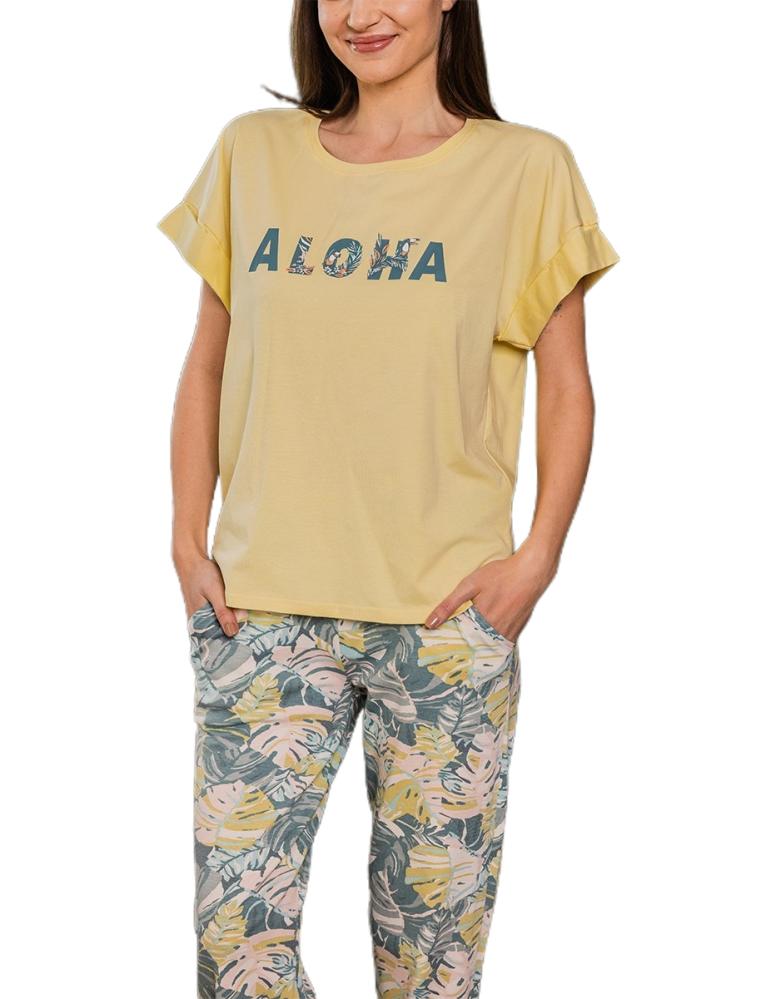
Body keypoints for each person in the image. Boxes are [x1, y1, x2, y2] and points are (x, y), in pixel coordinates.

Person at [156, 1, 620, 995]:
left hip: (445, 620)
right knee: (237, 955)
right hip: (261, 614)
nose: (358, 15)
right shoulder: (252, 153)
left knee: (431, 967)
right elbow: (207, 363)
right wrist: (187, 542)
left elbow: (566, 386)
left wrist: (537, 557)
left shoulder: (526, 169)